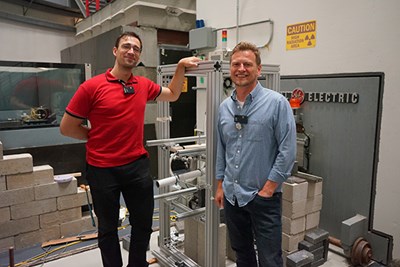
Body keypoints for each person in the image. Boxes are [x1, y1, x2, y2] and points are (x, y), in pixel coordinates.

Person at [60, 31, 200, 267]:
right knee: (107, 229)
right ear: (115, 51)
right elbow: (67, 127)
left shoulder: (143, 85)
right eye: (126, 46)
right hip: (102, 170)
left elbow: (173, 94)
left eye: (136, 48)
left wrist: (179, 67)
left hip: (137, 167)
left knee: (143, 223)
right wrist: (95, 137)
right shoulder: (91, 87)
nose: (131, 51)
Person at [214, 41, 296, 267]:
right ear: (230, 68)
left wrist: (268, 190)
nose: (241, 68)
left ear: (258, 70)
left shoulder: (277, 103)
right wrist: (220, 185)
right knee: (242, 255)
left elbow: (287, 151)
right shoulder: (224, 108)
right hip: (233, 196)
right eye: (236, 64)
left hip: (263, 198)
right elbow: (222, 148)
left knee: (270, 259)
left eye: (247, 64)